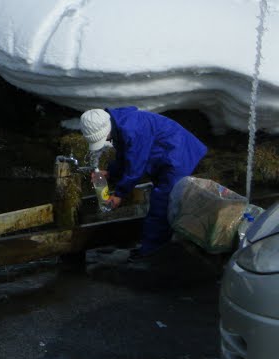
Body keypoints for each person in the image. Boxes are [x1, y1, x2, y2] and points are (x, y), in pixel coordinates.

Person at [80, 107, 207, 258]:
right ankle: (163, 243)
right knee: (165, 201)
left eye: (103, 138)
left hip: (178, 154)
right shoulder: (119, 125)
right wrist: (110, 173)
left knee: (161, 203)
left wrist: (119, 195)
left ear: (106, 128)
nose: (106, 140)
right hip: (167, 153)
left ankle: (151, 253)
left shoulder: (132, 130)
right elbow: (124, 156)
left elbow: (135, 166)